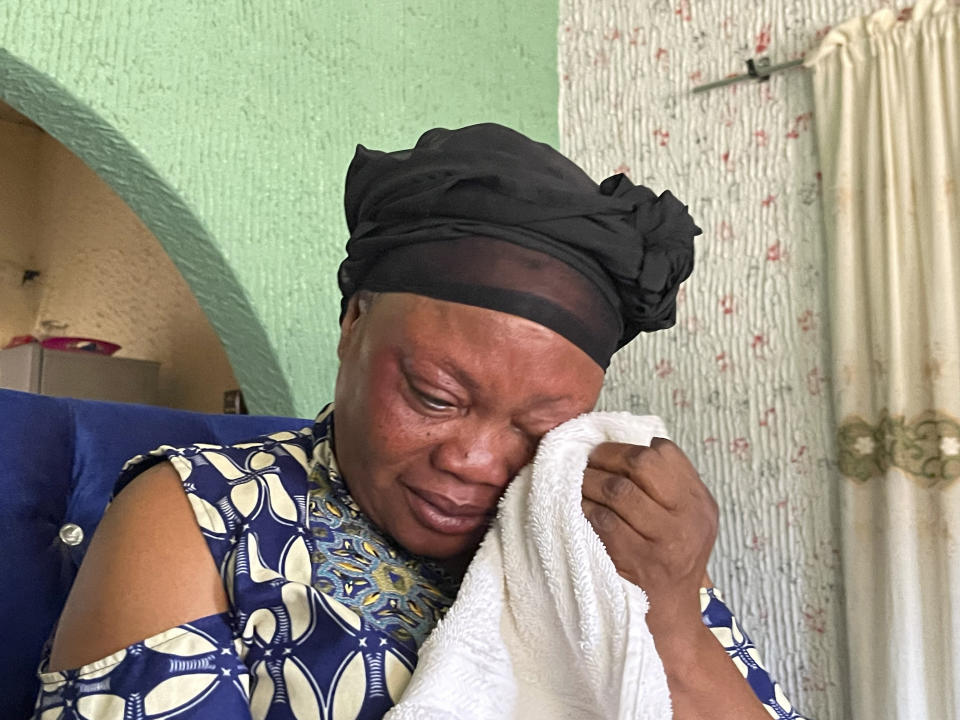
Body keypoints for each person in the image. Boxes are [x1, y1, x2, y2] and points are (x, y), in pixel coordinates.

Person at [35, 124, 805, 719]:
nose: (477, 460)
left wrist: (669, 614)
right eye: (435, 395)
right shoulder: (206, 517)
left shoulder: (595, 532)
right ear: (352, 324)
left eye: (541, 427)